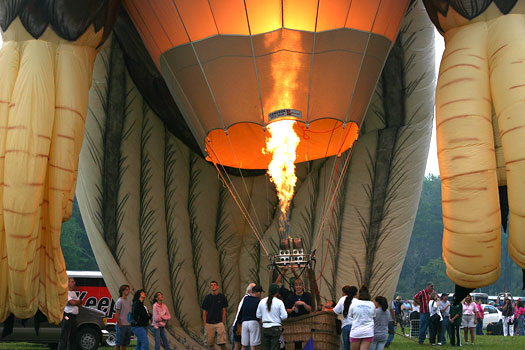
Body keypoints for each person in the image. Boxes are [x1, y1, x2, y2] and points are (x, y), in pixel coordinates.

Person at [256, 283, 288, 350]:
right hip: (276, 328)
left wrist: (265, 317)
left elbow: (258, 315)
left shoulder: (262, 301)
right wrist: (278, 318)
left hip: (265, 327)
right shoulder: (279, 302)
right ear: (277, 292)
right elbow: (284, 316)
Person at [202, 281, 229, 350]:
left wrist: (223, 321)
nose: (213, 286)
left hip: (219, 322)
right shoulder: (207, 298)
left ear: (217, 286)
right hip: (209, 322)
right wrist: (205, 322)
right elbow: (204, 311)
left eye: (214, 285)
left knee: (222, 342)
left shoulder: (222, 297)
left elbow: (224, 310)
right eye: (211, 285)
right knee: (210, 343)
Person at [349, 285, 375, 350]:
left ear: (359, 294)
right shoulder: (372, 304)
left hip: (356, 331)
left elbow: (350, 315)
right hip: (368, 331)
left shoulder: (354, 303)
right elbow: (373, 316)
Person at [58, 277, 82, 350]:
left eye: (74, 281)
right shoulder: (65, 293)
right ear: (67, 283)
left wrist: (76, 302)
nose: (74, 283)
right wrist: (76, 302)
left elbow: (80, 304)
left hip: (73, 317)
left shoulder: (74, 293)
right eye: (72, 281)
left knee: (72, 335)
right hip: (67, 316)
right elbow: (73, 302)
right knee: (65, 334)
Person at [333, 285, 358, 350]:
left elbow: (335, 311)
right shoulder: (357, 301)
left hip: (346, 326)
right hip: (355, 327)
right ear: (356, 293)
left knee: (346, 347)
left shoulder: (342, 299)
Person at [233, 283, 256, 350]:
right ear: (249, 291)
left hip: (242, 324)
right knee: (239, 345)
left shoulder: (248, 299)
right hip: (239, 325)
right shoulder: (246, 299)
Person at [240, 285, 263, 350]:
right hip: (253, 322)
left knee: (244, 345)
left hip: (244, 322)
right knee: (253, 345)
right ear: (258, 293)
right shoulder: (258, 301)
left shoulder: (245, 298)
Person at [115, 284, 132, 350]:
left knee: (124, 343)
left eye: (128, 290)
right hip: (121, 325)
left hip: (128, 324)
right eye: (126, 290)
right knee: (119, 343)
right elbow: (117, 313)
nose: (128, 291)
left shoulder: (128, 301)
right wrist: (120, 324)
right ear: (122, 291)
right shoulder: (119, 301)